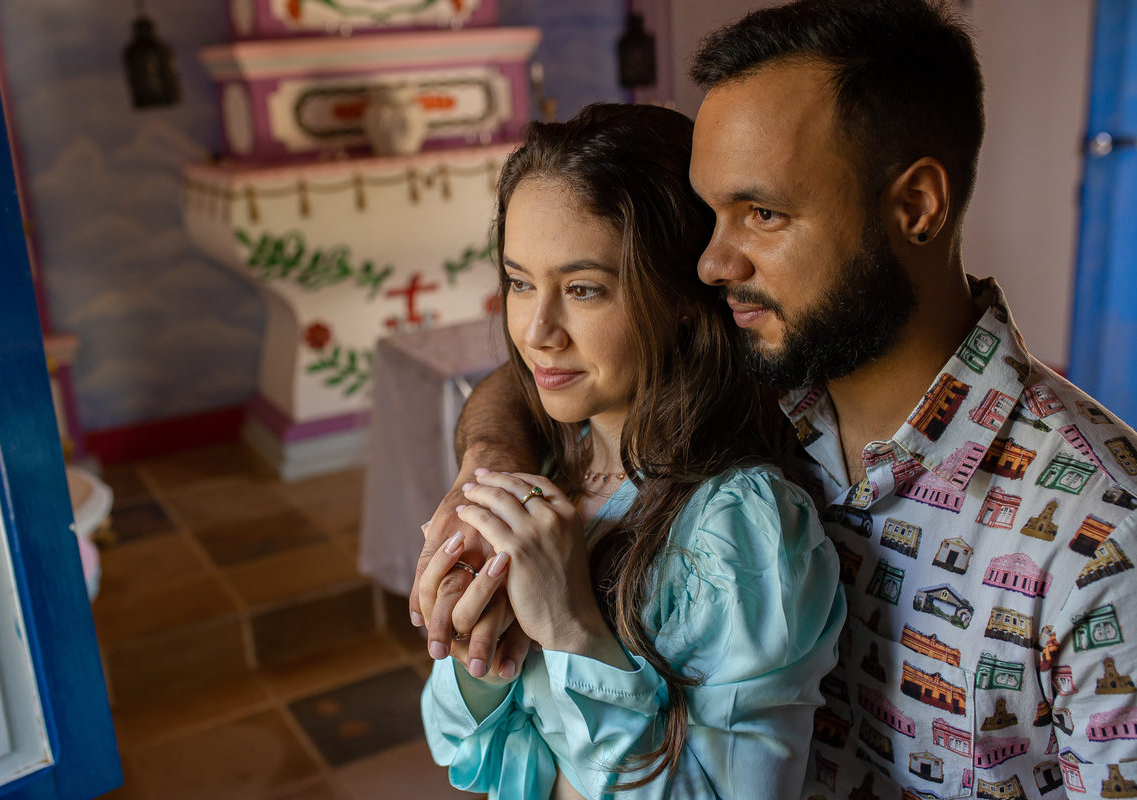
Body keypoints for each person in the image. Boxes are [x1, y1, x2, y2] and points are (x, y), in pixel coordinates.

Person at [415, 2, 1137, 799]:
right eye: (711, 213)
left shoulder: (1102, 538)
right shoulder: (762, 372)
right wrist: (490, 467)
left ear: (917, 207)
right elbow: (537, 380)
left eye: (762, 213)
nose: (713, 263)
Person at [418, 102, 845, 799]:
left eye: (583, 290)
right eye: (520, 282)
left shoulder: (742, 530)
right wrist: (475, 652)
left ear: (679, 297)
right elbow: (471, 754)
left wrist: (569, 628)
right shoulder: (557, 463)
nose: (535, 331)